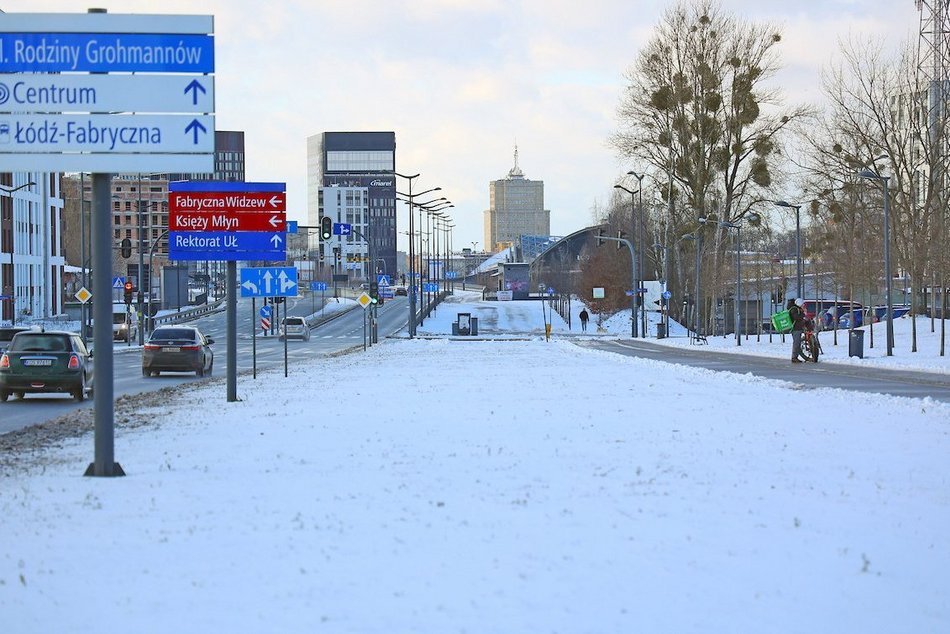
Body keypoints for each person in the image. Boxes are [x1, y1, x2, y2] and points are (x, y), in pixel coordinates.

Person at [789, 298, 810, 363]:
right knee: (796, 343)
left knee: (797, 343)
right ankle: (794, 357)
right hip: (795, 328)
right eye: (802, 304)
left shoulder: (797, 309)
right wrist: (803, 313)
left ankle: (796, 357)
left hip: (798, 328)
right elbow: (796, 317)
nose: (803, 305)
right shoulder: (794, 309)